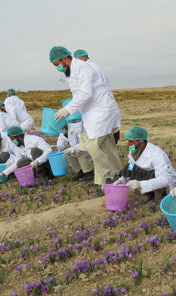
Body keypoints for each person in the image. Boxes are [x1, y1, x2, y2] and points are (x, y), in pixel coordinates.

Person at [49, 46, 122, 198]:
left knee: (92, 146)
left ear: (64, 58)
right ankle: (119, 176)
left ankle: (110, 176)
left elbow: (86, 93)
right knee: (105, 147)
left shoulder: (83, 67)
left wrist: (67, 110)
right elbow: (78, 95)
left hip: (102, 111)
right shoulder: (71, 72)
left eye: (57, 64)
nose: (58, 68)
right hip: (92, 114)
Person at [113, 126, 176, 204]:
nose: (128, 144)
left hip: (163, 178)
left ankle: (162, 194)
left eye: (131, 142)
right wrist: (121, 180)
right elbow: (131, 168)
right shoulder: (134, 152)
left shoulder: (157, 154)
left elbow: (164, 180)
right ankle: (149, 193)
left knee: (154, 176)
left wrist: (140, 184)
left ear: (141, 142)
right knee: (133, 168)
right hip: (146, 176)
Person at [73, 49, 119, 144]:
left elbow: (86, 93)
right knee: (107, 142)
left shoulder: (88, 68)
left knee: (98, 145)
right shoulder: (94, 66)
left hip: (102, 111)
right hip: (106, 109)